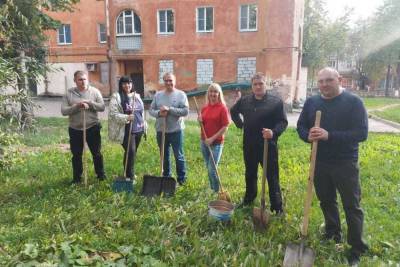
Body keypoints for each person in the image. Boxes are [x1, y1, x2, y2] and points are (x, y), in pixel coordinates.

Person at [297, 67, 369, 266]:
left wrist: (330, 135)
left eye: (329, 80)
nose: (324, 85)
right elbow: (301, 126)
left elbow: (361, 133)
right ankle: (332, 233)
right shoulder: (312, 102)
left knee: (351, 206)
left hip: (345, 162)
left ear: (340, 80)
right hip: (319, 161)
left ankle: (356, 247)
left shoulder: (354, 103)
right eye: (321, 81)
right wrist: (307, 136)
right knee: (326, 201)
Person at [230, 72, 288, 213]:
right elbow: (233, 111)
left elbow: (283, 121)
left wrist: (273, 132)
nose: (258, 86)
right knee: (250, 173)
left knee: (272, 175)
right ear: (252, 86)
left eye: (260, 83)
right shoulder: (245, 101)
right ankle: (249, 199)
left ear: (265, 84)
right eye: (255, 84)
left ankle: (277, 206)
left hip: (268, 145)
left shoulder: (275, 102)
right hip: (249, 144)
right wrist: (240, 124)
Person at [61, 70, 106, 184]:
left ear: (88, 80)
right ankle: (77, 178)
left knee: (96, 153)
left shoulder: (95, 92)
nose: (83, 81)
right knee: (76, 155)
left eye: (84, 79)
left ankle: (101, 176)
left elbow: (102, 107)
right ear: (75, 81)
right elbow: (64, 111)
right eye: (80, 79)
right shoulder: (69, 94)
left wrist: (89, 103)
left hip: (92, 127)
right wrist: (76, 106)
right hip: (75, 129)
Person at [149, 73, 189, 185]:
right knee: (164, 155)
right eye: (166, 81)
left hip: (176, 131)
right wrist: (159, 113)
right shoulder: (158, 95)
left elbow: (185, 111)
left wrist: (170, 109)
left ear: (174, 81)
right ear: (163, 82)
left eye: (170, 80)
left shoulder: (181, 95)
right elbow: (151, 110)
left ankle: (182, 179)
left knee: (178, 155)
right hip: (161, 131)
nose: (168, 83)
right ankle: (167, 178)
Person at [108, 76, 145, 179]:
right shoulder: (117, 97)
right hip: (126, 130)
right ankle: (130, 175)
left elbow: (141, 112)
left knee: (131, 152)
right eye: (124, 83)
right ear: (121, 85)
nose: (127, 85)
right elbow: (113, 114)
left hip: (138, 129)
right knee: (131, 151)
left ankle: (127, 171)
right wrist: (127, 117)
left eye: (129, 83)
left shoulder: (136, 96)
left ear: (131, 84)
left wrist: (143, 123)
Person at [198, 83, 230, 192]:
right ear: (208, 93)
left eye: (215, 92)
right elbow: (203, 125)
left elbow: (225, 127)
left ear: (219, 94)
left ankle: (216, 191)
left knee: (212, 169)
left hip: (216, 143)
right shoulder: (204, 108)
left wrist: (212, 138)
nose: (213, 94)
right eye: (211, 91)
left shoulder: (222, 108)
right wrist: (200, 121)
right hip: (204, 142)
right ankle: (212, 189)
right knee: (208, 167)